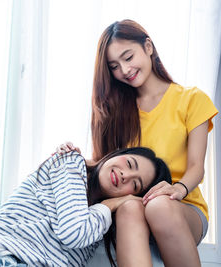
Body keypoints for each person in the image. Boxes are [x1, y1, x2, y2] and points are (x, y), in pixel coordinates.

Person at [56, 19, 219, 267]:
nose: (124, 69)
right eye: (114, 66)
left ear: (149, 47)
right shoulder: (115, 111)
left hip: (181, 206)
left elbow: (197, 168)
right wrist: (71, 155)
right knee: (130, 207)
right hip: (132, 206)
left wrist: (178, 189)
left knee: (159, 206)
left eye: (128, 57)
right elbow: (105, 165)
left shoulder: (191, 99)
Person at [0, 147, 171, 267]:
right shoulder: (71, 162)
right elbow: (73, 233)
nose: (126, 174)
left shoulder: (99, 224)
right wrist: (111, 203)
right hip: (4, 258)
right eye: (129, 164)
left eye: (135, 184)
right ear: (116, 154)